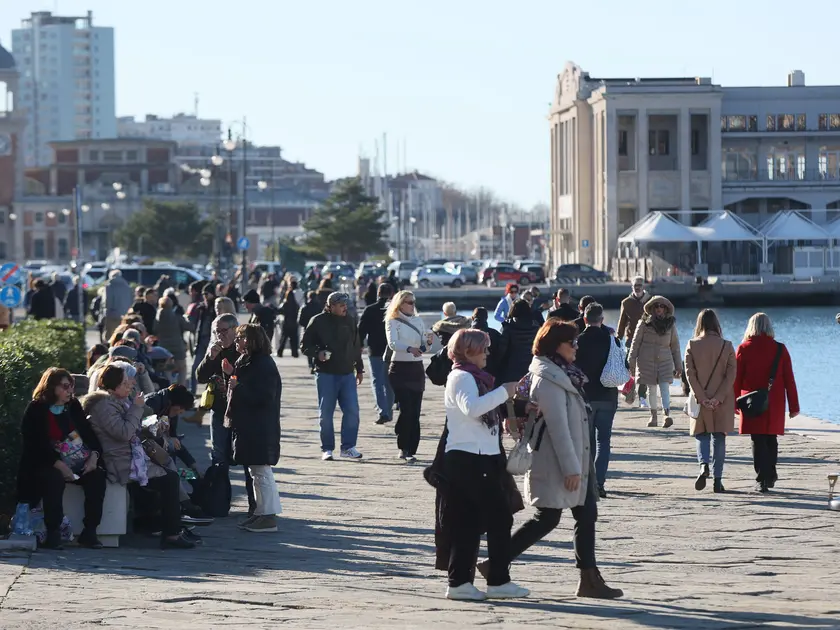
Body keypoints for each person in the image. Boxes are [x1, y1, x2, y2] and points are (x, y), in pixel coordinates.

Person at [495, 319, 622, 600]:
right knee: (547, 518)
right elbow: (558, 427)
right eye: (571, 343)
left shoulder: (563, 372)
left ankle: (589, 579)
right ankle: (496, 562)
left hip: (578, 456)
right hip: (561, 461)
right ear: (556, 346)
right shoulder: (549, 378)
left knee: (585, 514)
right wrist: (571, 468)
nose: (576, 347)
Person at [441, 328, 528, 601]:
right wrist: (504, 391)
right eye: (485, 348)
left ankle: (463, 583)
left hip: (481, 457)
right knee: (496, 518)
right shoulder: (462, 377)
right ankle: (494, 580)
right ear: (469, 351)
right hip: (469, 459)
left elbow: (481, 411)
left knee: (474, 522)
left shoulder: (474, 378)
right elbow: (472, 408)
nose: (488, 353)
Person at [84, 364, 195, 549]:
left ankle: (169, 527)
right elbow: (124, 433)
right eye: (125, 383)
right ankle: (171, 534)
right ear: (113, 386)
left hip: (131, 457)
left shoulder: (118, 402)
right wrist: (137, 408)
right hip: (120, 462)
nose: (130, 386)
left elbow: (133, 428)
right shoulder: (103, 405)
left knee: (170, 474)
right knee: (170, 479)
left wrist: (154, 427)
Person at [17, 368, 106, 550]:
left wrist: (94, 457)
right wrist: (60, 465)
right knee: (54, 479)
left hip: (76, 460)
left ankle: (90, 531)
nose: (69, 391)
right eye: (65, 387)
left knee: (97, 477)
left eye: (71, 387)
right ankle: (53, 532)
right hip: (45, 462)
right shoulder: (36, 409)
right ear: (51, 387)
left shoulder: (72, 406)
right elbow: (35, 446)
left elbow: (89, 435)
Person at [226, 324, 283, 533]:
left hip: (260, 425)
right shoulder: (249, 361)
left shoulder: (263, 364)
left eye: (240, 338)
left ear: (250, 340)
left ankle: (268, 515)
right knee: (255, 471)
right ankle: (261, 512)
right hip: (251, 424)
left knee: (261, 471)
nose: (237, 341)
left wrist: (238, 387)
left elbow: (264, 397)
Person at [734, 313, 799, 493]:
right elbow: (789, 380)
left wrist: (733, 403)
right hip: (775, 400)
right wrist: (794, 406)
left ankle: (762, 478)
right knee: (771, 437)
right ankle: (770, 473)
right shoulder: (780, 349)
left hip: (751, 401)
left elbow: (736, 379)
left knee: (757, 439)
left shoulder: (743, 348)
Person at [300, 292, 364, 461]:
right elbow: (304, 345)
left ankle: (348, 447)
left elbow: (356, 346)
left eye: (346, 304)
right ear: (331, 306)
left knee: (352, 411)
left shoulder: (350, 321)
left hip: (347, 374)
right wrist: (318, 353)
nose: (345, 307)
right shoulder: (317, 321)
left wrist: (360, 368)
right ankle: (327, 448)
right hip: (325, 374)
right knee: (326, 414)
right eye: (341, 305)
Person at [684, 309, 737, 494]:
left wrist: (703, 398)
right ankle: (718, 479)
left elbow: (690, 375)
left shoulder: (691, 344)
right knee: (719, 437)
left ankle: (703, 465)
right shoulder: (727, 346)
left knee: (702, 434)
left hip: (701, 400)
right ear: (716, 323)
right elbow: (731, 376)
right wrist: (717, 398)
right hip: (721, 401)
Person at [574, 303, 619, 498]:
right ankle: (600, 483)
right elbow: (622, 363)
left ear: (584, 319)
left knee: (588, 442)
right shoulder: (611, 340)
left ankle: (589, 483)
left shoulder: (578, 341)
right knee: (604, 441)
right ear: (602, 320)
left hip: (585, 397)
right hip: (608, 395)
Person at [385, 290, 433, 463]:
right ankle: (403, 448)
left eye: (413, 301)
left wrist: (427, 343)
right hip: (399, 368)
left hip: (416, 368)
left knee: (416, 411)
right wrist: (409, 349)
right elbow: (393, 343)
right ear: (400, 304)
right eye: (409, 302)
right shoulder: (393, 321)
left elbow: (424, 348)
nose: (412, 305)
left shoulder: (418, 321)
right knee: (407, 409)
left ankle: (411, 448)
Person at [628, 296, 681, 428]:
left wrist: (678, 365)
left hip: (665, 361)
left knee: (664, 388)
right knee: (651, 389)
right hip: (646, 361)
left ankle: (666, 415)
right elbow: (635, 343)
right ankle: (653, 416)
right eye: (656, 306)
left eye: (662, 306)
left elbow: (675, 346)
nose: (659, 309)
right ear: (651, 308)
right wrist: (631, 361)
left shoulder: (671, 325)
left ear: (666, 309)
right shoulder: (644, 323)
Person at [358, 283, 395, 425]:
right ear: (391, 294)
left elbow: (361, 330)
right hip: (392, 350)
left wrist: (359, 345)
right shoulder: (395, 310)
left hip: (375, 350)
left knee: (377, 382)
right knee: (390, 381)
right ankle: (389, 410)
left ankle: (383, 412)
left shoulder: (370, 310)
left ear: (378, 294)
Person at [617, 276, 651, 405]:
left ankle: (642, 396)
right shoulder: (626, 302)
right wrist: (617, 338)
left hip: (645, 339)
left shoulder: (650, 301)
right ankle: (629, 393)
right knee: (630, 368)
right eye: (635, 285)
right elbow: (622, 322)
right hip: (630, 340)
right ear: (632, 286)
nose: (637, 287)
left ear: (643, 286)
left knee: (643, 368)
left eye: (640, 285)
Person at [497, 299, 541, 385]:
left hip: (512, 369)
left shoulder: (509, 327)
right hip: (532, 367)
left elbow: (501, 350)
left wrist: (497, 364)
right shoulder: (536, 327)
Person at [188, 284, 217, 394]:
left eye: (207, 294)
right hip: (201, 340)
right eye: (203, 294)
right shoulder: (202, 308)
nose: (205, 296)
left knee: (212, 369)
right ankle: (193, 392)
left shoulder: (216, 307)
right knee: (195, 367)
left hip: (211, 341)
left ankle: (209, 393)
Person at [156, 296, 190, 387]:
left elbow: (154, 330)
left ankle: (169, 387)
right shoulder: (176, 316)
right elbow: (189, 326)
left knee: (167, 369)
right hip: (177, 345)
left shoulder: (157, 318)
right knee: (182, 368)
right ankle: (181, 388)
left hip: (163, 347)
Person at [471, 307, 501, 378]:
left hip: (472, 372)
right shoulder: (495, 334)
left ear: (472, 318)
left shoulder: (466, 334)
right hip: (491, 372)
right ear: (486, 318)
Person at [103, 270, 133, 339]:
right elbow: (131, 300)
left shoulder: (109, 286)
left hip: (112, 314)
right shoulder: (127, 286)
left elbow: (107, 301)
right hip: (124, 314)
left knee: (110, 335)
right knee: (122, 333)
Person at [298, 291, 322, 373]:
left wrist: (306, 324)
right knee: (317, 347)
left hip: (307, 330)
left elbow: (300, 320)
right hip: (318, 330)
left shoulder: (304, 307)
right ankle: (315, 364)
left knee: (308, 347)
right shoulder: (319, 307)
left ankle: (310, 364)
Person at [277, 286, 301, 358]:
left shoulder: (285, 304)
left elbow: (280, 311)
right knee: (294, 340)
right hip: (294, 323)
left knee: (283, 339)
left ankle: (280, 352)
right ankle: (295, 353)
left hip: (286, 323)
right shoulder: (296, 305)